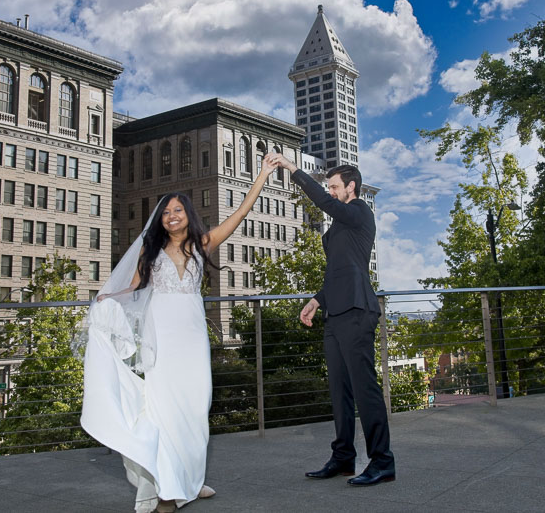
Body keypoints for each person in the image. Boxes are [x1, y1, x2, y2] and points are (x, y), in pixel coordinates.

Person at [81, 155, 277, 513]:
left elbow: (240, 214)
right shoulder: (150, 249)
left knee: (195, 409)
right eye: (166, 212)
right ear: (161, 219)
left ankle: (190, 478)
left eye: (177, 210)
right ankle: (169, 491)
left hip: (193, 339)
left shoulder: (203, 243)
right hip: (162, 339)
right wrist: (107, 298)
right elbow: (134, 288)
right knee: (165, 410)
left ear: (188, 214)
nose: (171, 216)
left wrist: (262, 174)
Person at [267, 153, 395, 486]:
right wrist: (315, 301)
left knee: (365, 389)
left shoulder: (358, 213)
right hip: (335, 311)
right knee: (339, 390)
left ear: (351, 186)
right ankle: (343, 458)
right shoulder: (341, 224)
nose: (332, 191)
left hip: (357, 309)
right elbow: (338, 270)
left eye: (336, 186)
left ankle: (382, 462)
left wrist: (293, 169)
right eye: (331, 187)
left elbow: (325, 202)